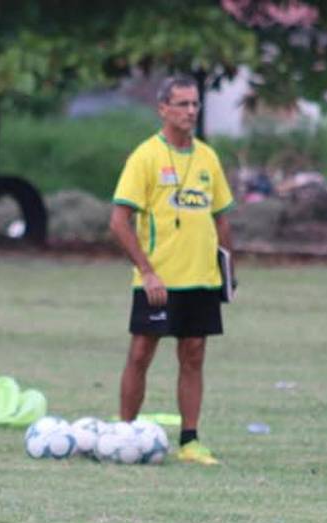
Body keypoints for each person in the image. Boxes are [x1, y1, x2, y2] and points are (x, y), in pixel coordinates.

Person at [109, 75, 236, 465]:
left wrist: (227, 267)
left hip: (201, 278)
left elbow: (221, 219)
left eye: (195, 104)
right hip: (158, 280)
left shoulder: (208, 158)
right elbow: (118, 221)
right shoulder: (145, 156)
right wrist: (147, 272)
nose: (191, 111)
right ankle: (125, 435)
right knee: (141, 351)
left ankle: (190, 441)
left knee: (194, 354)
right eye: (182, 104)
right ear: (162, 108)